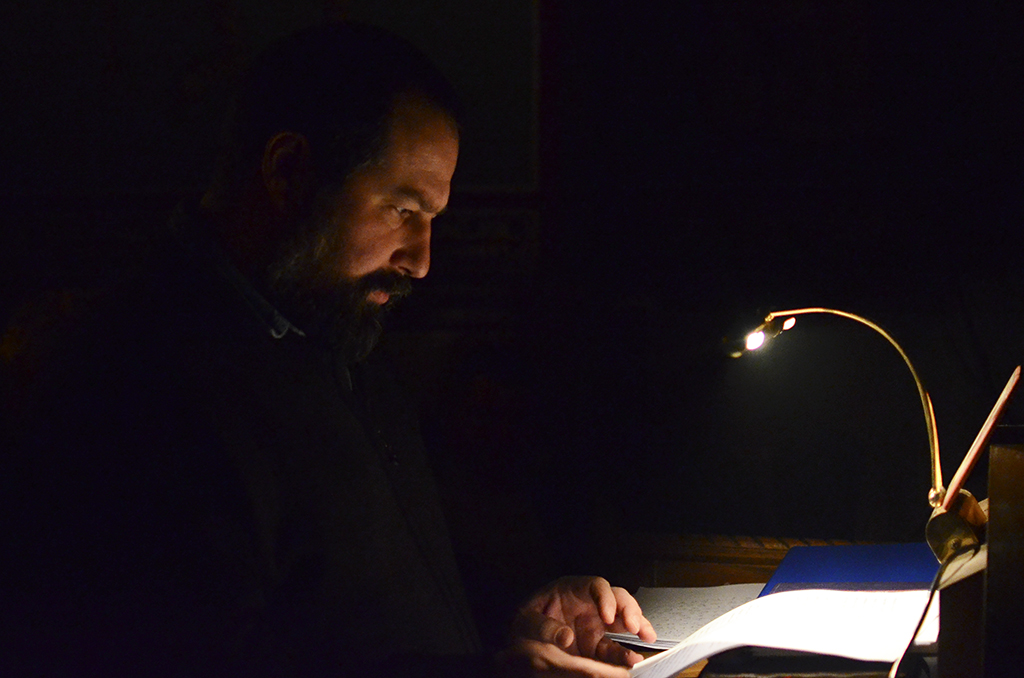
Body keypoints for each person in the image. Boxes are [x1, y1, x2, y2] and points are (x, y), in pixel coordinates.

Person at [3, 21, 655, 677]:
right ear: (288, 171)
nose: (422, 260)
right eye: (402, 210)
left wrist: (522, 621)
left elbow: (376, 602)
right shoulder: (129, 386)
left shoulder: (329, 327)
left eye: (433, 218)